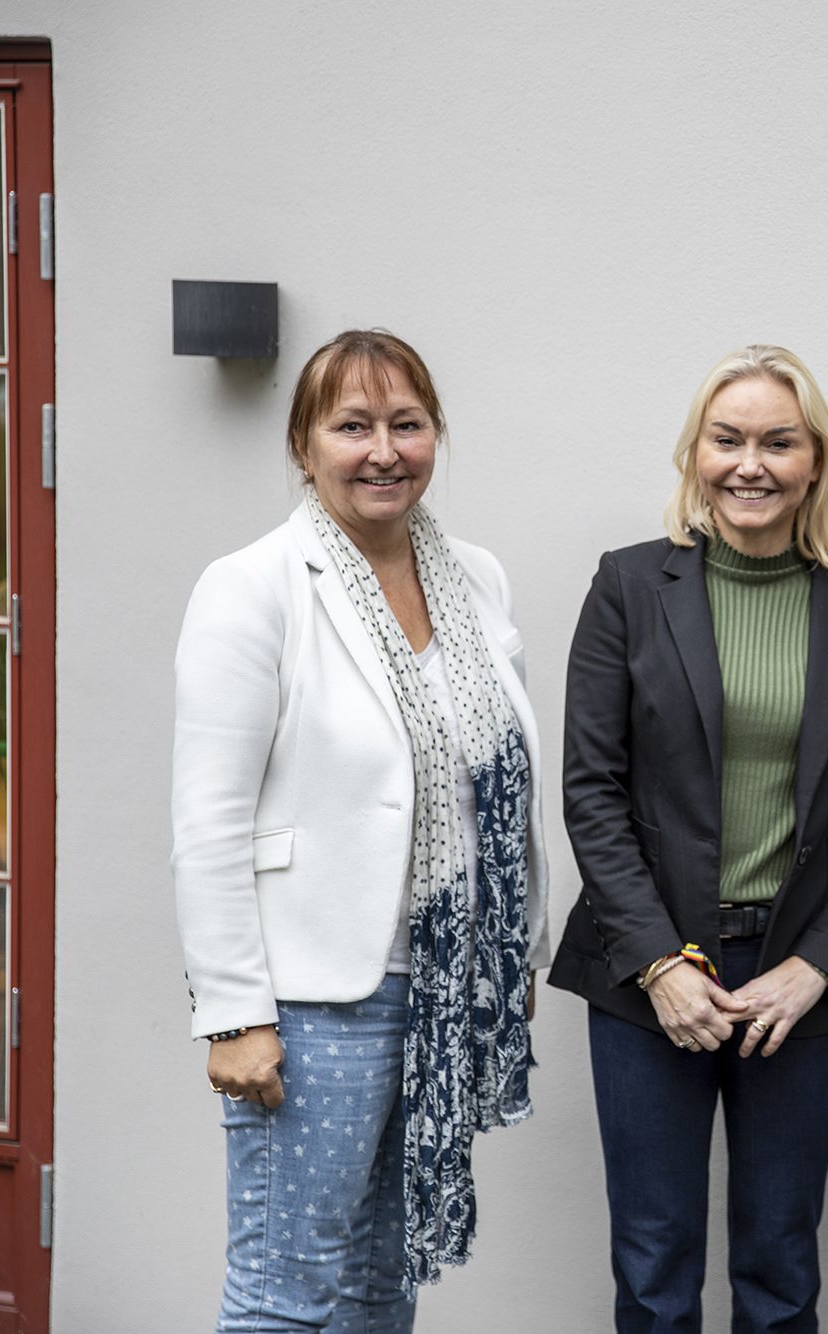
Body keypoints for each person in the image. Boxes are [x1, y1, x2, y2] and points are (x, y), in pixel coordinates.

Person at [172, 329, 549, 1331]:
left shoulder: (474, 578)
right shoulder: (252, 586)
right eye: (352, 425)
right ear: (304, 445)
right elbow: (206, 822)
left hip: (439, 988)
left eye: (406, 423)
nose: (383, 449)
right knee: (289, 1293)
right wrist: (233, 1013)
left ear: (435, 436)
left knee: (385, 1284)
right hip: (312, 1000)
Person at [547, 344, 828, 1333]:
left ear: (813, 463)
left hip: (798, 978)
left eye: (776, 441)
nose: (748, 462)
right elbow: (591, 788)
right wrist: (659, 965)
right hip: (648, 972)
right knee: (654, 1264)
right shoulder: (628, 584)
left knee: (779, 1267)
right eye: (726, 439)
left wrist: (816, 968)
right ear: (694, 454)